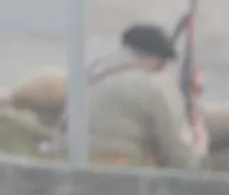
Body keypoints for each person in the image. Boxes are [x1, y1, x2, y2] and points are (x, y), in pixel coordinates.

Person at [84, 23, 208, 169]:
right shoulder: (156, 86)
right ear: (161, 62)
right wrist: (198, 126)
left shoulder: (92, 74)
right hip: (121, 180)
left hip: (72, 168)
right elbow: (185, 160)